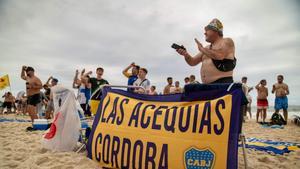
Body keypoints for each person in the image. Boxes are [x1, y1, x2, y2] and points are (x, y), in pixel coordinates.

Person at [176, 18, 236, 84]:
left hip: (223, 84)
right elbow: (192, 62)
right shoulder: (206, 48)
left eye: (207, 30)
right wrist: (185, 54)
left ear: (215, 30)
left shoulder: (227, 41)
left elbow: (219, 55)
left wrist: (202, 49)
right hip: (207, 86)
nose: (205, 33)